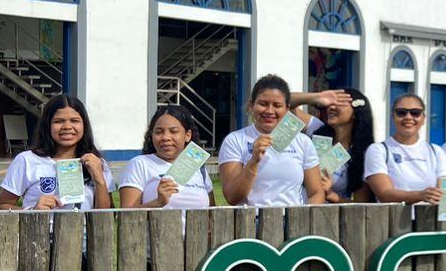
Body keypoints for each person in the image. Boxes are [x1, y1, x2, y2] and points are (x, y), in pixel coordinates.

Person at [218, 74, 326, 206]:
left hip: (294, 223)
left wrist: (303, 220)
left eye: (277, 105)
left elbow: (316, 192)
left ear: (287, 109)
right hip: (251, 223)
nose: (270, 111)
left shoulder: (303, 142)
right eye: (263, 104)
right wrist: (254, 161)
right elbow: (232, 197)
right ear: (252, 105)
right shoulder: (235, 140)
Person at [0, 94, 113, 211]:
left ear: (84, 125)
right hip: (39, 228)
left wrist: (99, 179)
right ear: (47, 125)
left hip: (84, 230)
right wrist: (32, 211)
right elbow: (1, 206)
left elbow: (105, 215)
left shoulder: (97, 163)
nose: (67, 126)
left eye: (74, 121)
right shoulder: (26, 160)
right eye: (58, 121)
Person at [118, 105, 216, 209]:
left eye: (174, 131)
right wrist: (158, 202)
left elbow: (212, 213)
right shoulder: (139, 164)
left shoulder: (198, 166)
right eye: (159, 132)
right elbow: (126, 216)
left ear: (188, 135)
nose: (166, 137)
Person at [363, 92, 446, 204]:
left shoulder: (436, 151)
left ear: (423, 119)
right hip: (392, 219)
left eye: (415, 113)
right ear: (392, 116)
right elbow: (384, 193)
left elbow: (445, 192)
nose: (408, 117)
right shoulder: (378, 150)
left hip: (428, 219)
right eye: (401, 113)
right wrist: (420, 195)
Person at [309, 88, 374, 202]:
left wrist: (331, 195)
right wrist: (316, 97)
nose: (331, 107)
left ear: (356, 112)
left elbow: (360, 205)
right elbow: (289, 103)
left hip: (331, 217)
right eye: (330, 103)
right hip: (299, 210)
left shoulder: (363, 154)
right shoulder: (317, 130)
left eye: (339, 104)